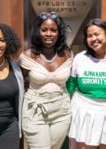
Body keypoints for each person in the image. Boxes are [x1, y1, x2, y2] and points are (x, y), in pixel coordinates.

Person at [18, 12, 72, 149]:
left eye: (53, 30)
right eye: (44, 30)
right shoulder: (27, 56)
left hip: (62, 112)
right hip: (35, 111)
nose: (49, 34)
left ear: (59, 33)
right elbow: (21, 82)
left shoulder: (67, 54)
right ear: (38, 32)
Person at [67, 18, 106, 149]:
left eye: (97, 34)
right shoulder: (80, 58)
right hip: (83, 110)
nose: (93, 39)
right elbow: (71, 85)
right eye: (89, 36)